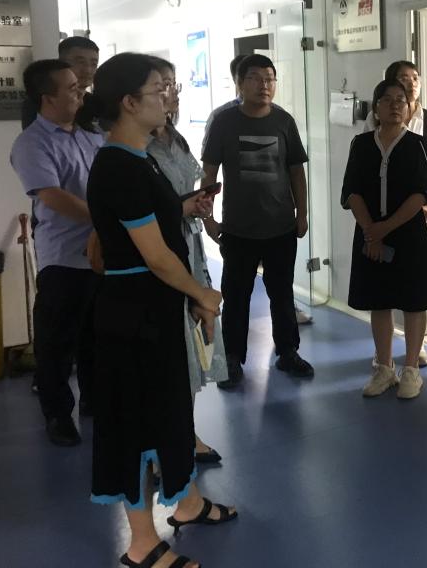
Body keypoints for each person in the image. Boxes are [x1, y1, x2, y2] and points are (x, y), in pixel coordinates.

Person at [84, 52, 236, 568]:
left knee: (169, 410)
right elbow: (155, 255)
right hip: (133, 315)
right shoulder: (118, 165)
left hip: (155, 308)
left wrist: (184, 208)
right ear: (129, 102)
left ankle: (187, 503)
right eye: (159, 89)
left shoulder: (140, 157)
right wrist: (202, 293)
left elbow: (160, 223)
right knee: (135, 422)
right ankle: (141, 543)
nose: (168, 97)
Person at [201, 54, 314, 387]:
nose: (264, 85)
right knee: (236, 297)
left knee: (282, 294)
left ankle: (288, 352)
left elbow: (296, 172)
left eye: (269, 79)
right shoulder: (224, 122)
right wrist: (208, 217)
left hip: (280, 226)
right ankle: (232, 359)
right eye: (255, 78)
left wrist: (302, 213)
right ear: (239, 83)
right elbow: (209, 173)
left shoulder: (284, 121)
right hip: (238, 229)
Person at [10, 59, 103, 446]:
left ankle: (95, 399)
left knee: (96, 337)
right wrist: (107, 219)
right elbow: (52, 196)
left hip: (101, 256)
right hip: (64, 257)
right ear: (47, 97)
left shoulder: (90, 138)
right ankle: (58, 415)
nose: (80, 92)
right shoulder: (32, 143)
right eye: (71, 88)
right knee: (57, 344)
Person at [146, 57, 229, 464]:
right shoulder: (133, 150)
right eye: (161, 85)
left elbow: (181, 192)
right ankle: (163, 443)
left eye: (173, 84)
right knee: (167, 352)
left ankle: (185, 432)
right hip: (157, 251)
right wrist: (182, 207)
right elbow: (143, 211)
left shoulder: (174, 139)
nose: (171, 92)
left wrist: (198, 204)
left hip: (189, 245)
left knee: (193, 346)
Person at [344, 79, 427, 399]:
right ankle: (384, 368)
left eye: (402, 99)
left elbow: (423, 193)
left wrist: (385, 228)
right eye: (387, 99)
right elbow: (352, 191)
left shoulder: (417, 145)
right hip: (369, 232)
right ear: (376, 108)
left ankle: (411, 369)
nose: (395, 105)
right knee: (379, 299)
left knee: (414, 301)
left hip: (407, 233)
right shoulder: (361, 144)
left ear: (409, 108)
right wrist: (371, 230)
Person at [368, 60, 427, 368]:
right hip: (384, 213)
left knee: (419, 284)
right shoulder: (376, 121)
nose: (412, 83)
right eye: (404, 78)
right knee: (383, 285)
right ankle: (384, 352)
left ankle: (415, 348)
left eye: (415, 77)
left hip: (421, 212)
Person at [21, 36, 100, 130]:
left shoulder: (95, 103)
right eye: (80, 62)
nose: (88, 70)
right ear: (61, 64)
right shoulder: (42, 102)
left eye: (93, 64)